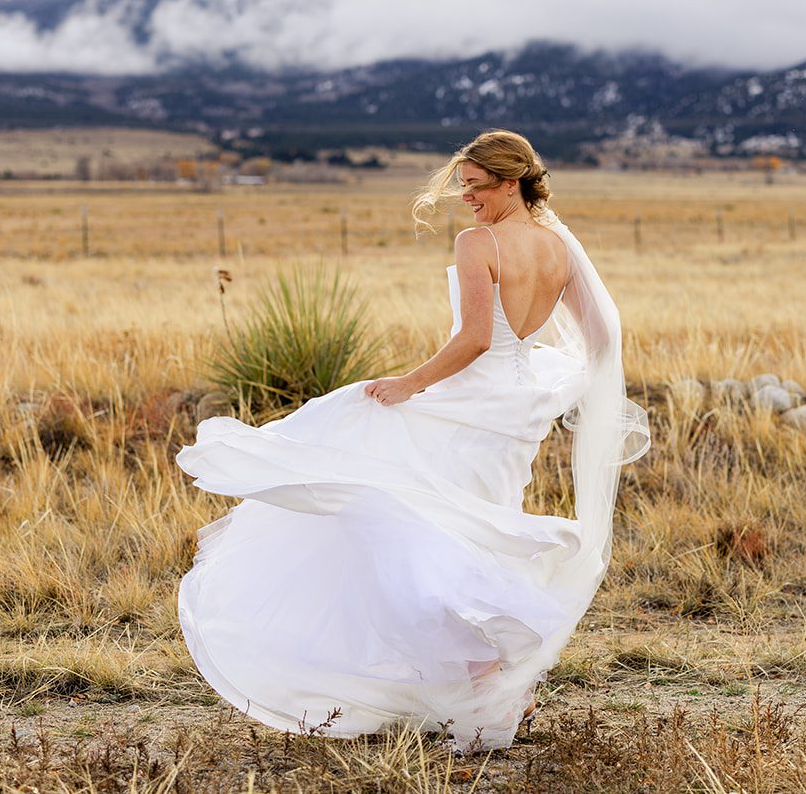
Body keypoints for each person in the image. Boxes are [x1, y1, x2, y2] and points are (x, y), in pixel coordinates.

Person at [174, 129, 649, 753]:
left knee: (383, 476)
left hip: (472, 400)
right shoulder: (559, 247)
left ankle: (477, 673)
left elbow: (477, 338)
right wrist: (552, 386)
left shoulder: (480, 242)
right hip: (519, 409)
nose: (467, 200)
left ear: (511, 183)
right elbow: (602, 340)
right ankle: (490, 685)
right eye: (463, 189)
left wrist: (410, 383)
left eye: (477, 188)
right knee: (473, 527)